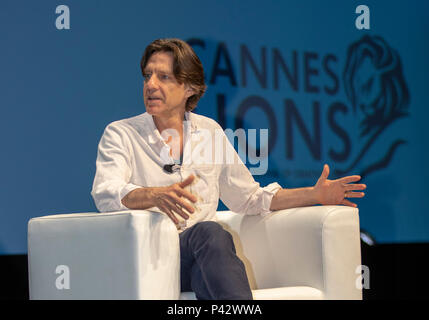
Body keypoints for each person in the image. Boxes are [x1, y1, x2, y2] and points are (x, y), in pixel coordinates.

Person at [91, 38, 366, 300]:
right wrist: (154, 195)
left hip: (197, 259)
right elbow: (106, 193)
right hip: (148, 258)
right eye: (147, 76)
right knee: (210, 233)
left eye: (163, 77)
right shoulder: (121, 134)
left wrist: (315, 195)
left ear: (189, 88)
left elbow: (249, 198)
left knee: (208, 258)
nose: (150, 85)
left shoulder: (209, 132)